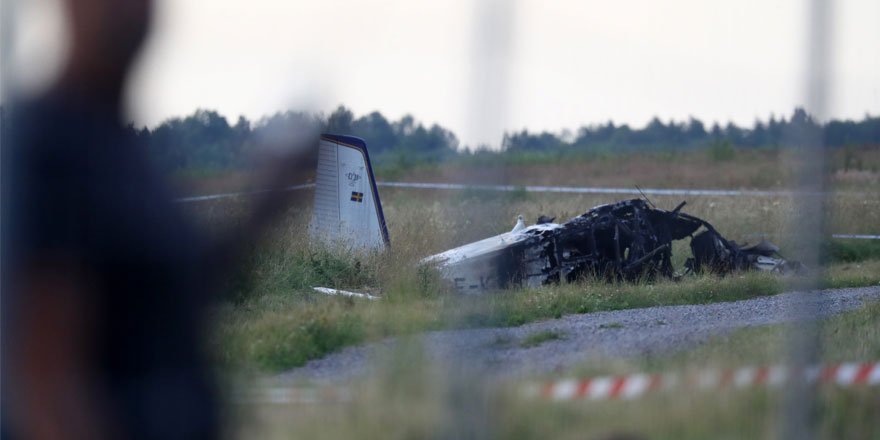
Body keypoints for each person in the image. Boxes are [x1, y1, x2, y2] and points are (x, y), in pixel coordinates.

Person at [1, 1, 315, 438]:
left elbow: (171, 297)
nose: (131, 12)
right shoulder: (50, 145)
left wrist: (265, 206)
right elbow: (44, 380)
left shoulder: (120, 145)